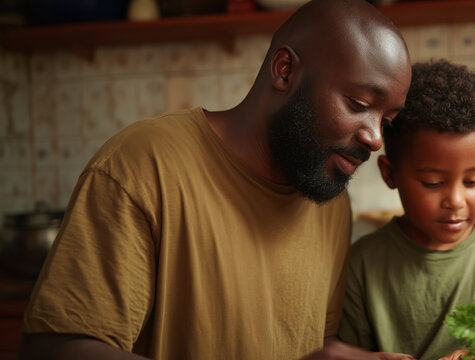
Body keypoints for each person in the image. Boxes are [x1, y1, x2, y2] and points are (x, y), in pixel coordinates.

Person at [18, 0, 412, 359]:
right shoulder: (144, 164)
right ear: (285, 71)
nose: (375, 138)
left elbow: (310, 345)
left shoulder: (330, 202)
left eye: (386, 121)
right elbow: (54, 348)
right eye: (359, 105)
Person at [337, 60, 475, 360]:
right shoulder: (362, 266)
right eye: (433, 183)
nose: (456, 200)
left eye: (473, 181)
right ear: (389, 174)